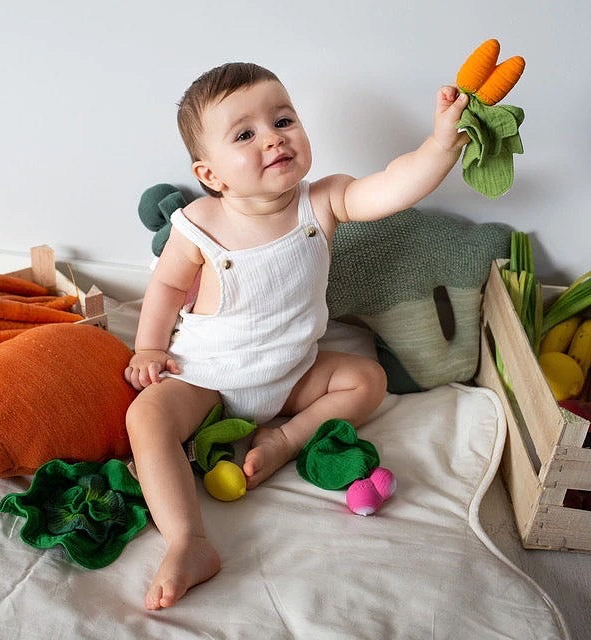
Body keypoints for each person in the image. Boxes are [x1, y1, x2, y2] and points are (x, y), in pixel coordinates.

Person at [124, 62, 469, 610]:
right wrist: (149, 347)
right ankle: (189, 541)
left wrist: (440, 145)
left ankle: (289, 439)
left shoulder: (323, 200)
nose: (273, 138)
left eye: (282, 119)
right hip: (208, 377)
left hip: (291, 374)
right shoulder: (199, 221)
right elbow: (167, 286)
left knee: (366, 378)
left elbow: (390, 187)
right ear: (211, 175)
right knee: (145, 418)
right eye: (245, 134)